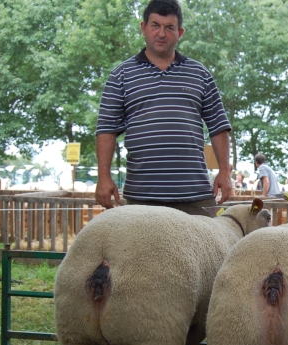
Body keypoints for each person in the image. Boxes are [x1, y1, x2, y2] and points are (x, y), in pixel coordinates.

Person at [94, 0, 232, 215]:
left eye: (169, 27)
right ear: (143, 28)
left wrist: (225, 171)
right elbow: (106, 130)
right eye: (155, 25)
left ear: (180, 33)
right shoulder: (120, 76)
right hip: (141, 198)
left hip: (194, 197)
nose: (161, 33)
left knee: (205, 249)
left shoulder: (200, 74)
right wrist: (103, 176)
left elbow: (219, 126)